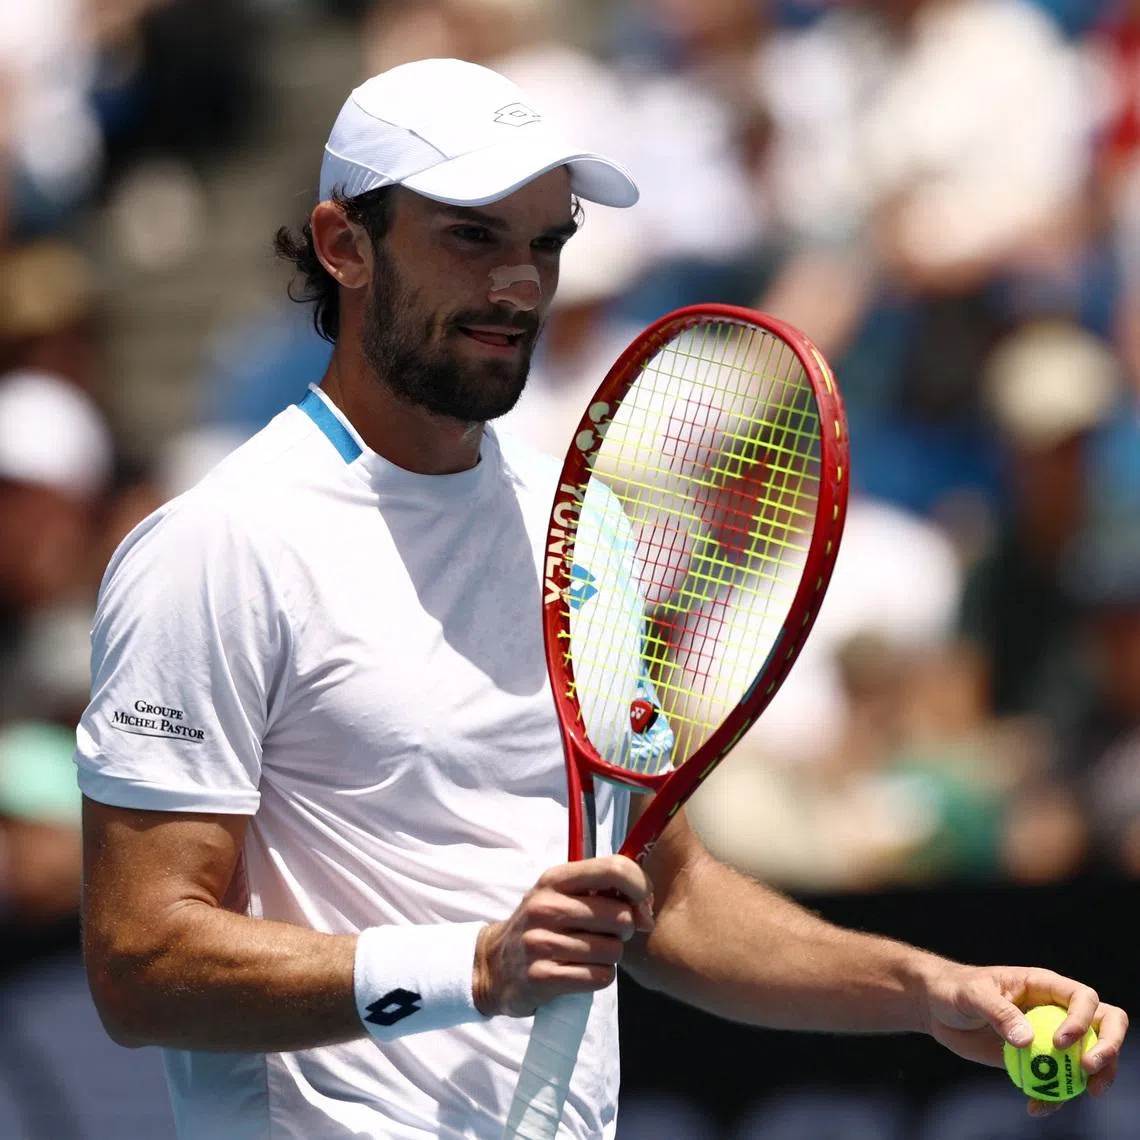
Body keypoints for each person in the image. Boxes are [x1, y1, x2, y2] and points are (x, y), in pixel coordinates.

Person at [74, 57, 1127, 1140]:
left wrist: (925, 987)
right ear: (345, 244)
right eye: (473, 236)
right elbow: (141, 962)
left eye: (545, 242)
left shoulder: (576, 522)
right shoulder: (215, 546)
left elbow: (661, 894)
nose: (522, 283)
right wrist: (477, 966)